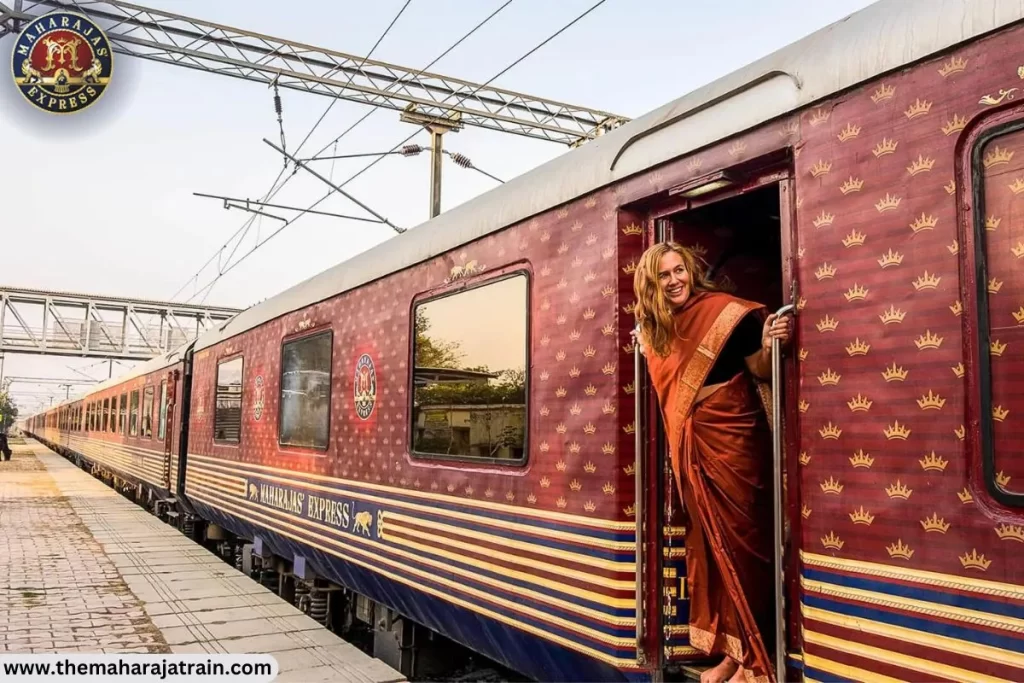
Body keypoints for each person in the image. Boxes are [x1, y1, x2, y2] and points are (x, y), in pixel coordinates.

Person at [631, 242, 791, 683]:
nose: (674, 280)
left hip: (735, 440)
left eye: (679, 271)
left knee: (744, 550)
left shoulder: (723, 313)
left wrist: (772, 345)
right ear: (651, 284)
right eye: (663, 275)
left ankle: (760, 662)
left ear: (691, 271)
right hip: (691, 445)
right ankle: (732, 654)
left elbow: (757, 369)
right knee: (713, 554)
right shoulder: (656, 329)